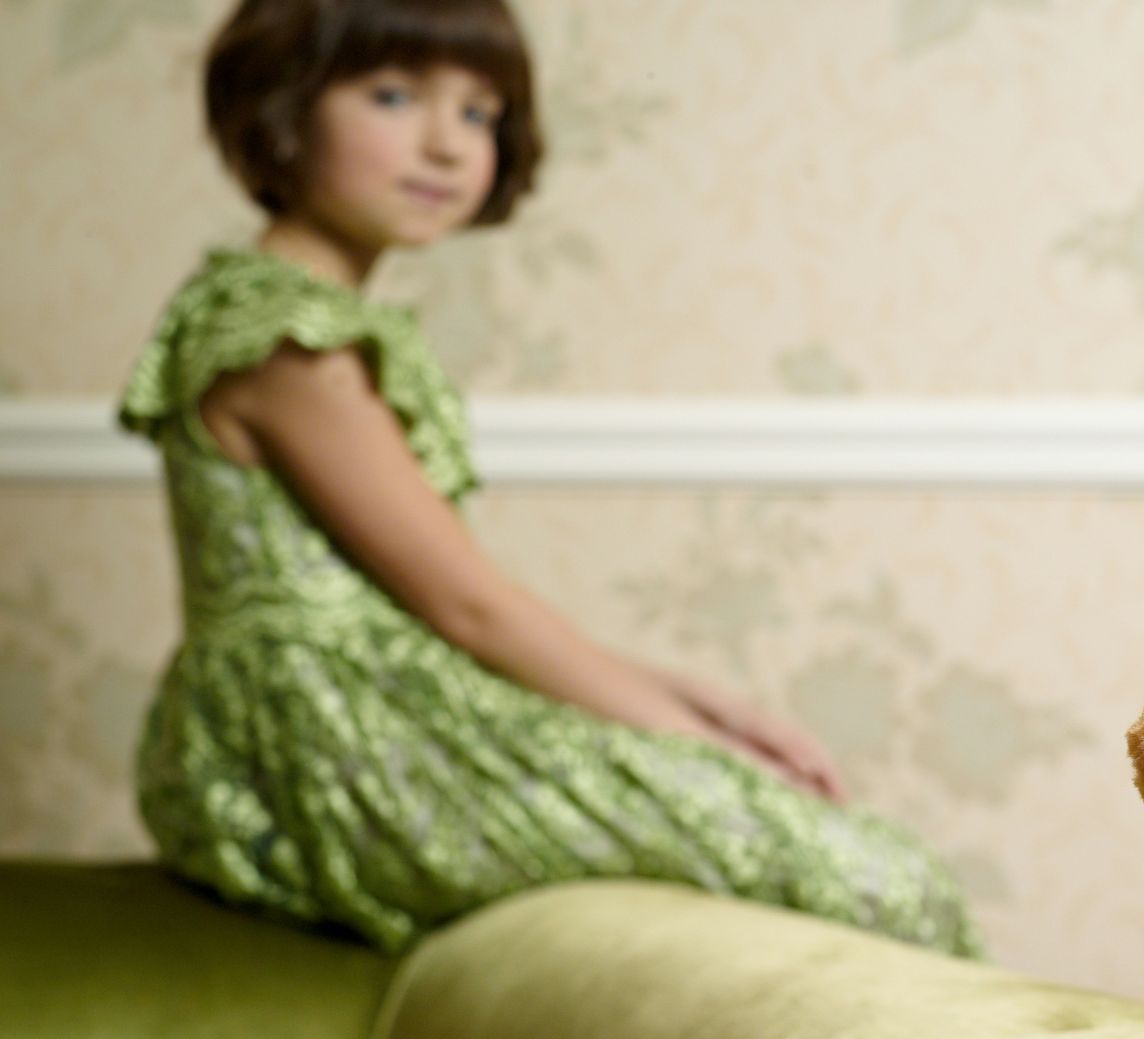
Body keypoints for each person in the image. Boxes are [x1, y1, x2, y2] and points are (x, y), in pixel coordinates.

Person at [115, 0, 982, 958]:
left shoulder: (290, 314)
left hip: (372, 706)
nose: (446, 147)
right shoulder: (284, 340)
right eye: (394, 95)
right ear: (282, 110)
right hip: (329, 749)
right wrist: (707, 755)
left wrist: (696, 704)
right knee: (879, 881)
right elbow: (468, 609)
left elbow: (426, 603)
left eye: (480, 112)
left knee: (864, 866)